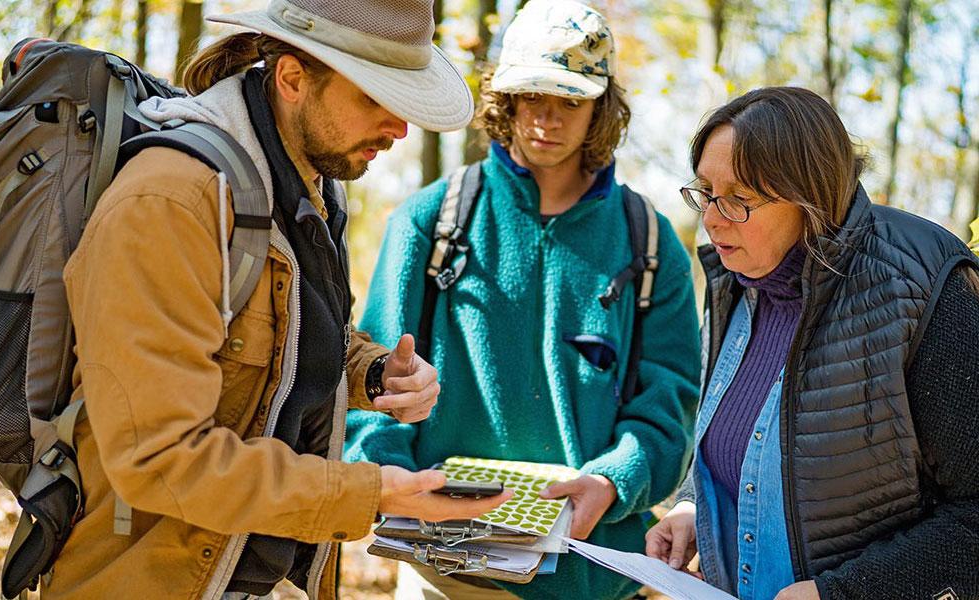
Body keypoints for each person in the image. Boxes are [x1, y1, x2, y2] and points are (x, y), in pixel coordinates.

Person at [47, 1, 512, 598]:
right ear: (292, 79)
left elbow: (277, 340)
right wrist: (371, 493)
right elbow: (160, 456)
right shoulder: (171, 202)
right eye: (376, 98)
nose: (400, 129)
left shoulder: (310, 185)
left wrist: (372, 374)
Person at [344, 1, 701, 598]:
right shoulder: (433, 220)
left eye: (570, 101)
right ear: (504, 99)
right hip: (445, 567)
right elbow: (372, 381)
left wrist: (616, 480)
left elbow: (672, 402)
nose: (547, 119)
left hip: (596, 569)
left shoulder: (650, 238)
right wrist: (393, 480)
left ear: (602, 106)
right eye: (533, 96)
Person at [645, 86, 979, 600]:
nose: (711, 219)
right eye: (705, 191)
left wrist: (842, 593)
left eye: (738, 199)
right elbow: (752, 449)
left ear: (811, 197)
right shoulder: (734, 280)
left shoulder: (922, 281)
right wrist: (693, 505)